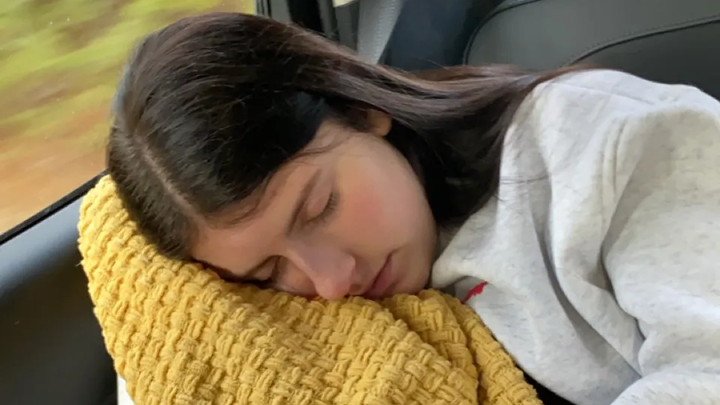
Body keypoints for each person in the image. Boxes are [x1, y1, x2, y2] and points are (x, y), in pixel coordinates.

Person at [107, 12, 720, 405]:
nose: (331, 284)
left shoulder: (608, 144)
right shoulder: (321, 307)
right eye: (268, 273)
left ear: (360, 107)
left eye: (319, 208)